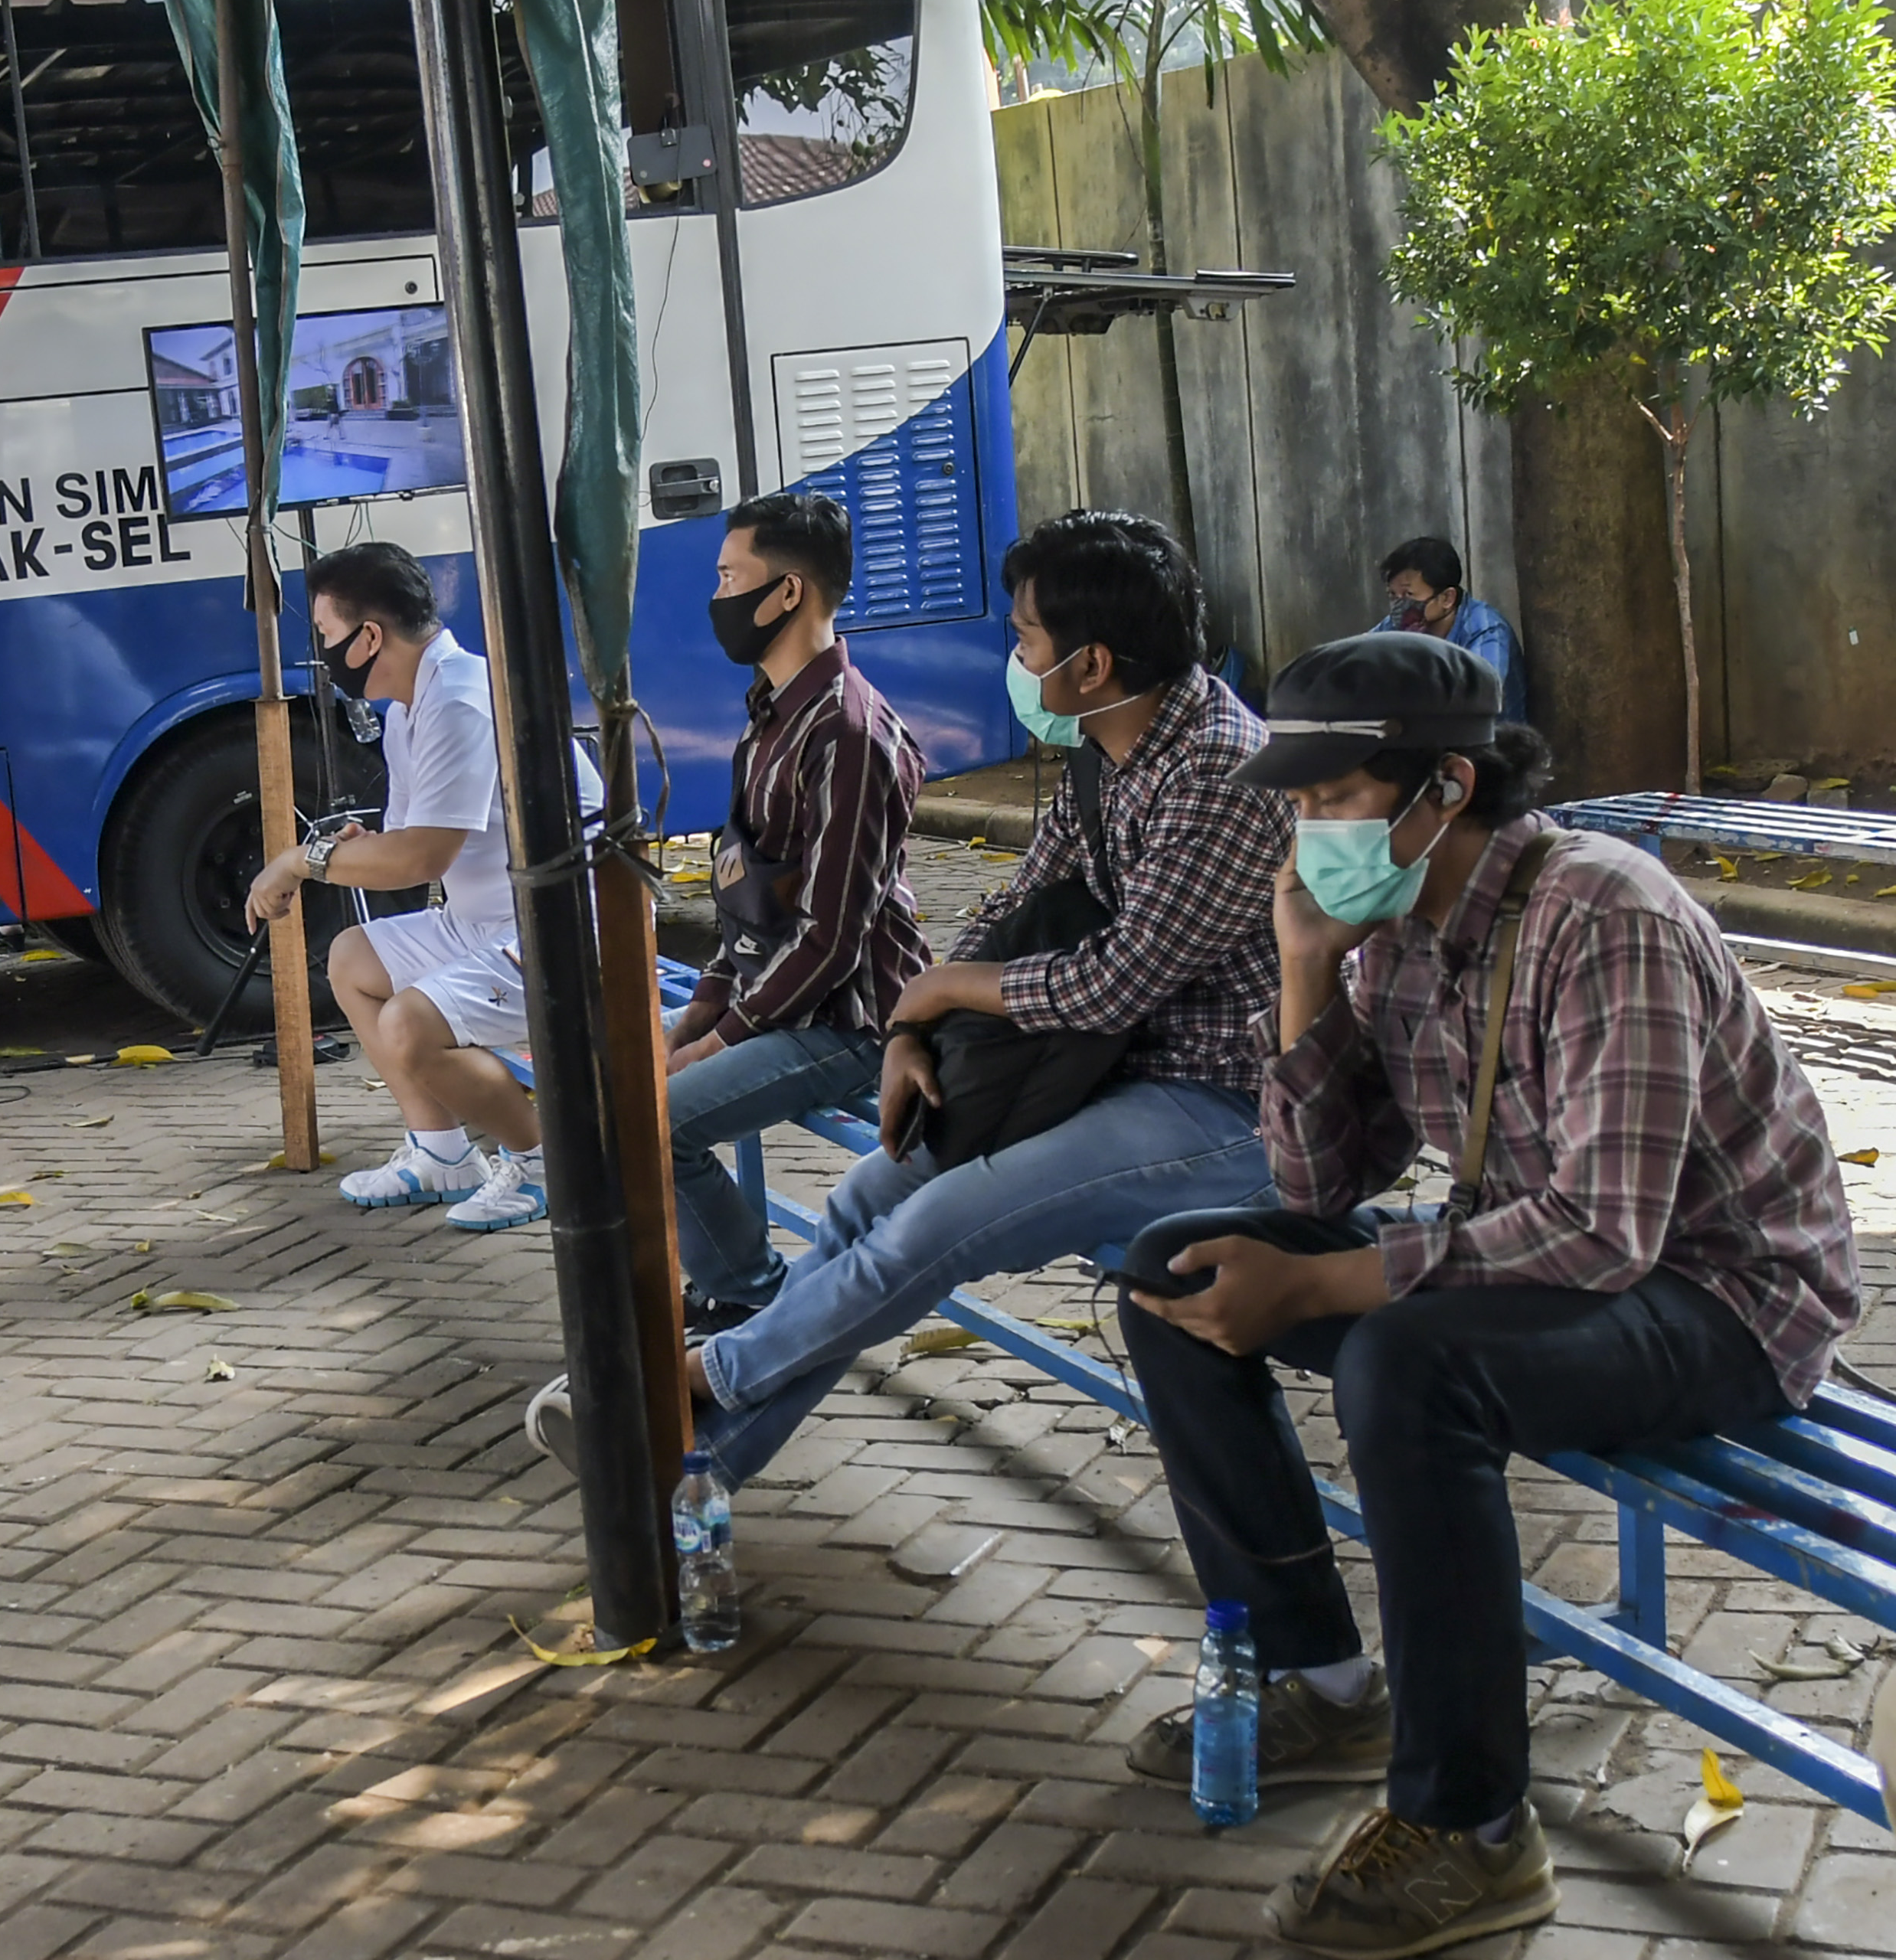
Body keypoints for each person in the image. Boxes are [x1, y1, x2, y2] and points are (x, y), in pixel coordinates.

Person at [1112, 632, 1858, 1959]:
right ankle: (1319, 1679)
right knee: (1175, 1265)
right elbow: (1322, 1173)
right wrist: (1301, 969)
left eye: (1330, 800)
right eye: (1296, 801)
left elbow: (1605, 1230)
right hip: (1549, 1264)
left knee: (1404, 1365)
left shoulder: (1601, 913)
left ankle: (1473, 1826)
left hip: (1725, 1299)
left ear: (1441, 787)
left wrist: (1326, 1282)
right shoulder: (1395, 924)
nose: (1304, 831)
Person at [529, 509, 1288, 1475]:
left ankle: (692, 1384)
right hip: (1082, 1067)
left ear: (1089, 664)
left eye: (1025, 636)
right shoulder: (1109, 747)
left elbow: (1115, 980)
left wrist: (934, 992)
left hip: (1216, 1102)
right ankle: (703, 1470)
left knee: (934, 1222)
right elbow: (1012, 904)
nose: (1013, 654)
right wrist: (910, 1032)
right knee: (862, 1203)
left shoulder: (1221, 768)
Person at [243, 541, 601, 1233]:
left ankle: (542, 1162)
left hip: (561, 932)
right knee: (352, 959)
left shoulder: (461, 701)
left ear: (368, 635)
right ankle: (441, 1155)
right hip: (487, 921)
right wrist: (350, 853)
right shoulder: (411, 706)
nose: (323, 652)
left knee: (410, 1023)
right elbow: (403, 842)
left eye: (325, 636)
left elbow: (421, 859)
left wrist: (297, 863)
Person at [665, 493, 930, 1332]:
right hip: (773, 996)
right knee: (620, 1075)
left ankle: (750, 1291)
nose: (716, 597)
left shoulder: (851, 735)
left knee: (655, 1123)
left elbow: (831, 936)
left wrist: (715, 1038)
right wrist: (704, 1002)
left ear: (786, 593)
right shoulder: (769, 714)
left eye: (728, 577)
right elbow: (747, 889)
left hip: (850, 1018)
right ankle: (736, 1283)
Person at [1375, 536, 1526, 724]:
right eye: (1393, 596)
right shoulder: (1400, 623)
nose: (1400, 605)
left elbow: (1479, 696)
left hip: (1491, 744)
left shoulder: (1486, 629)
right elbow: (1359, 658)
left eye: (1409, 595)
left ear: (1447, 598)